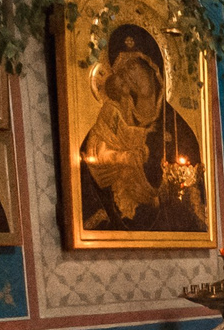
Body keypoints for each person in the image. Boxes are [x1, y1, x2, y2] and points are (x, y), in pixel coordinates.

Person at [78, 25, 207, 232]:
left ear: (152, 66)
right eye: (123, 71)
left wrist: (155, 200)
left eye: (134, 66)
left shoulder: (180, 132)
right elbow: (87, 166)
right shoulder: (111, 121)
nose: (130, 77)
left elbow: (194, 210)